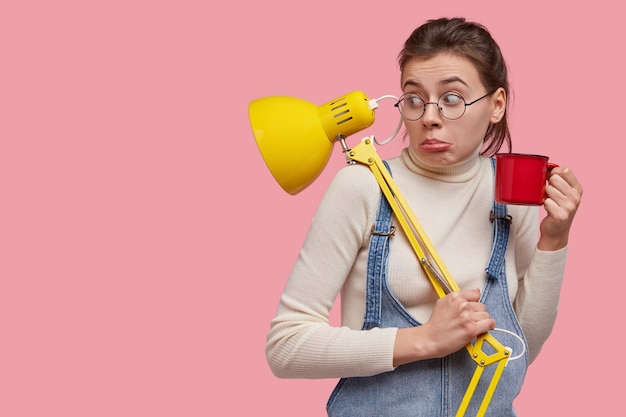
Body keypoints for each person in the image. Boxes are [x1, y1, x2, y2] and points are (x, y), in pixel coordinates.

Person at [264, 17, 583, 416]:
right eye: (414, 99)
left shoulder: (511, 193)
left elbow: (519, 350)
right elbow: (287, 346)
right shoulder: (362, 187)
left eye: (452, 98)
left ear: (496, 105)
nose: (429, 116)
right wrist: (424, 340)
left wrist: (554, 238)